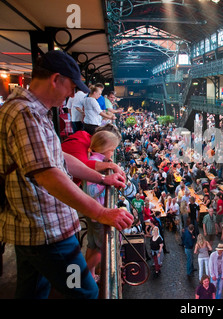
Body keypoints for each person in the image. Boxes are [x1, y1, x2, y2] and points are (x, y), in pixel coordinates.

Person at [0, 50, 133, 299]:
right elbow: (49, 175)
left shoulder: (34, 112)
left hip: (32, 228)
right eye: (71, 87)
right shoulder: (25, 114)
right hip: (46, 230)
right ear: (56, 79)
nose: (72, 95)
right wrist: (102, 212)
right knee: (85, 293)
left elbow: (60, 159)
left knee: (33, 291)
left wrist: (103, 178)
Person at [84, 130, 121, 282]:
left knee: (92, 246)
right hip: (97, 214)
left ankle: (89, 274)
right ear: (106, 149)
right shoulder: (97, 164)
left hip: (92, 213)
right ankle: (88, 277)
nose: (113, 153)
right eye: (112, 150)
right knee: (102, 249)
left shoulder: (96, 160)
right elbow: (91, 191)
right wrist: (106, 181)